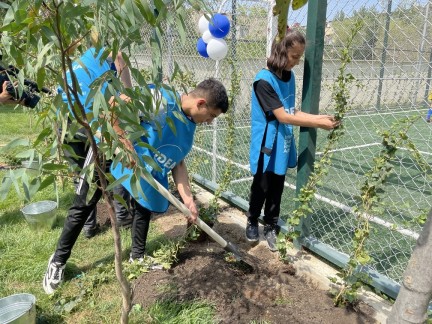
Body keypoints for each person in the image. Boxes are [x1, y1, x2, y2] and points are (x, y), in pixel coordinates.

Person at [43, 77, 229, 294]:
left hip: (141, 164)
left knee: (144, 203)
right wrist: (125, 146)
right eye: (211, 116)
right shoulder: (160, 99)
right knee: (83, 206)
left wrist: (188, 199)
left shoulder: (188, 122)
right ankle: (58, 261)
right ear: (200, 103)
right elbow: (110, 108)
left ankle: (137, 258)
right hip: (109, 151)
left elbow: (177, 161)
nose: (210, 121)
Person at [245, 29, 340, 252]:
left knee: (277, 186)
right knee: (262, 184)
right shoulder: (263, 81)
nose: (297, 62)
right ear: (281, 51)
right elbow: (282, 116)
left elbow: (291, 110)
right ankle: (252, 220)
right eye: (294, 56)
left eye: (299, 57)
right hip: (266, 143)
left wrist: (320, 117)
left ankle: (270, 225)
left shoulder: (290, 77)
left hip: (283, 141)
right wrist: (318, 123)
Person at [59, 46, 133, 239]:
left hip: (64, 120)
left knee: (80, 174)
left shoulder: (80, 63)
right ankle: (123, 218)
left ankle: (88, 226)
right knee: (118, 165)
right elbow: (119, 57)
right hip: (86, 120)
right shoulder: (109, 60)